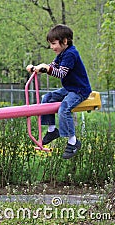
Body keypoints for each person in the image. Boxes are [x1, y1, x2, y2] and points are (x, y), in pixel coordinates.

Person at [26, 24, 92, 159]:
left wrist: (47, 69)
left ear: (65, 41)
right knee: (47, 98)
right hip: (69, 88)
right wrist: (37, 68)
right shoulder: (62, 54)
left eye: (54, 43)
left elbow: (61, 73)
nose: (52, 47)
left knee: (64, 108)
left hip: (80, 90)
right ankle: (52, 131)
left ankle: (73, 141)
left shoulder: (71, 54)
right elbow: (52, 66)